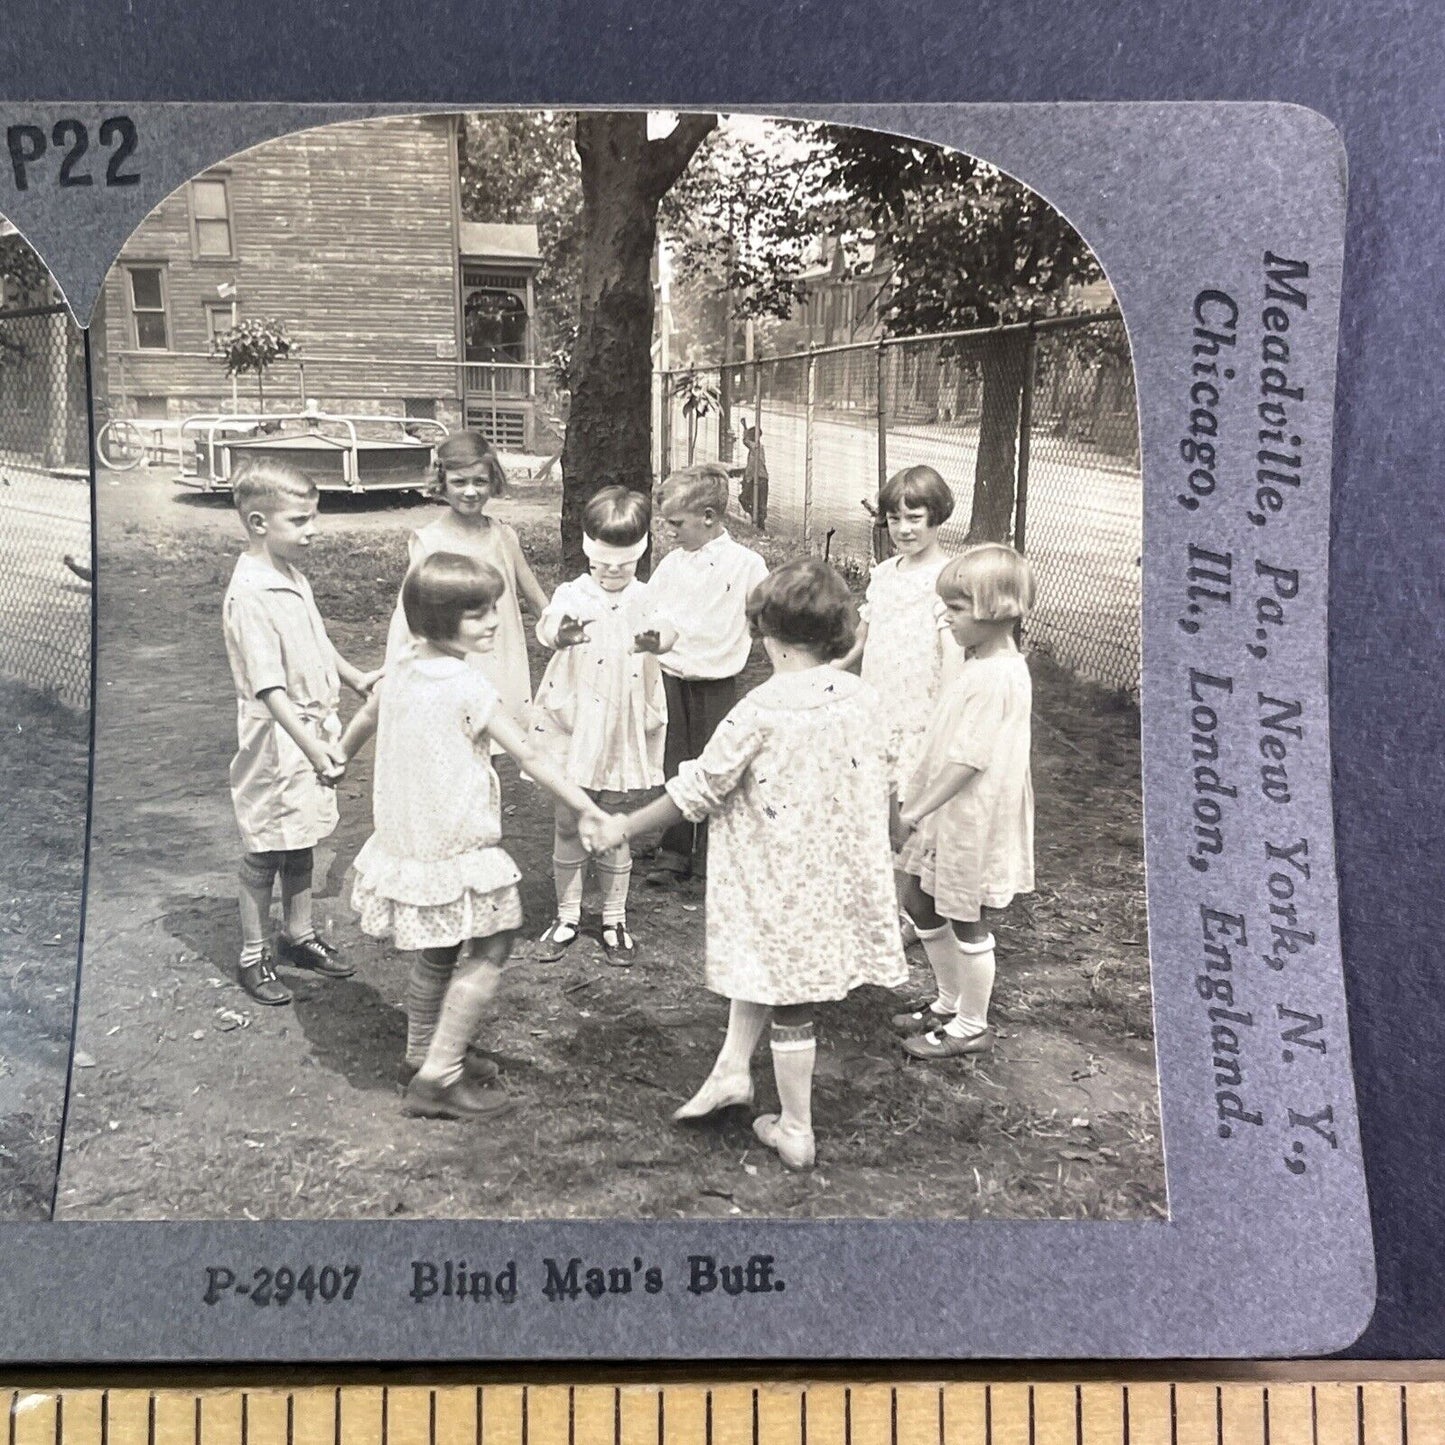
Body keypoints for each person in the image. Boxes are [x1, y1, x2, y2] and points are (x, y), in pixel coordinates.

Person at [583, 558, 907, 1171]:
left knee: (790, 997)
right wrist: (893, 825)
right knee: (770, 968)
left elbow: (696, 790)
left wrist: (623, 824)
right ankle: (732, 1071)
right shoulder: (862, 696)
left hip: (778, 878)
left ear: (764, 630)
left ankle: (796, 1129)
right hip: (836, 874)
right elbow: (889, 768)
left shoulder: (759, 710)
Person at [341, 552, 608, 1121]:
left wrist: (337, 758)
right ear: (437, 620)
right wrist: (585, 807)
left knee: (442, 946)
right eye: (476, 615)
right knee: (493, 941)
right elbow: (532, 753)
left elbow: (366, 718)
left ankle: (420, 1054)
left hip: (413, 839)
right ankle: (439, 1075)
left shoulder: (401, 668)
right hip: (456, 842)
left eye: (493, 610)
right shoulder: (468, 685)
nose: (492, 623)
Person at [220, 459, 382, 1006]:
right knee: (267, 846)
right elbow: (269, 689)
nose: (313, 530)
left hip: (311, 731)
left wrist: (355, 676)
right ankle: (252, 954)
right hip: (277, 741)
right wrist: (313, 748)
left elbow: (317, 640)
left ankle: (299, 933)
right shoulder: (251, 593)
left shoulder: (291, 575)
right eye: (302, 521)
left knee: (302, 839)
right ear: (259, 523)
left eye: (314, 518)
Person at [890, 544, 1036, 1058]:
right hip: (948, 811)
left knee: (968, 917)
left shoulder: (998, 677)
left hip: (972, 815)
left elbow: (969, 760)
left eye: (955, 609)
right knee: (921, 901)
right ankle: (948, 1001)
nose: (945, 617)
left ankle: (972, 1023)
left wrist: (914, 810)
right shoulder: (978, 663)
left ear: (995, 612)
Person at [529, 486, 678, 965]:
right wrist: (559, 633)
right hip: (577, 719)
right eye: (603, 563)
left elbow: (669, 628)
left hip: (621, 722)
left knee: (614, 822)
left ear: (639, 554)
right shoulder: (573, 592)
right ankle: (568, 915)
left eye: (623, 564)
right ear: (588, 551)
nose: (613, 573)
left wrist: (660, 640)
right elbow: (547, 623)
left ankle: (615, 919)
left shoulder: (647, 595)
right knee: (569, 817)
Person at [834, 465, 963, 945]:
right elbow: (864, 636)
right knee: (877, 808)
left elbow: (952, 653)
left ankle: (908, 914)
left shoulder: (947, 578)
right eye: (894, 519)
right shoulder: (885, 574)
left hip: (920, 711)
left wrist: (943, 719)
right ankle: (880, 906)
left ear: (937, 518)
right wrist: (831, 672)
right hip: (879, 706)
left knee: (910, 816)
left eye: (916, 518)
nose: (905, 530)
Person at [642, 462, 769, 885]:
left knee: (720, 765)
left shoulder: (747, 565)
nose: (670, 532)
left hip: (719, 684)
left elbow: (763, 617)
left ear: (709, 518)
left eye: (677, 523)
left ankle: (718, 851)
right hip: (673, 678)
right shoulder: (673, 565)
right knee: (675, 763)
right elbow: (654, 613)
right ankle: (675, 850)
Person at [384, 430, 549, 741]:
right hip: (450, 659)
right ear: (442, 483)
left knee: (499, 738)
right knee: (454, 742)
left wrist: (561, 625)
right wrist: (396, 673)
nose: (471, 492)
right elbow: (407, 616)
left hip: (498, 652)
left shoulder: (502, 536)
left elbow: (537, 599)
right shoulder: (430, 542)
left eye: (480, 481)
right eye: (460, 482)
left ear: (493, 480)